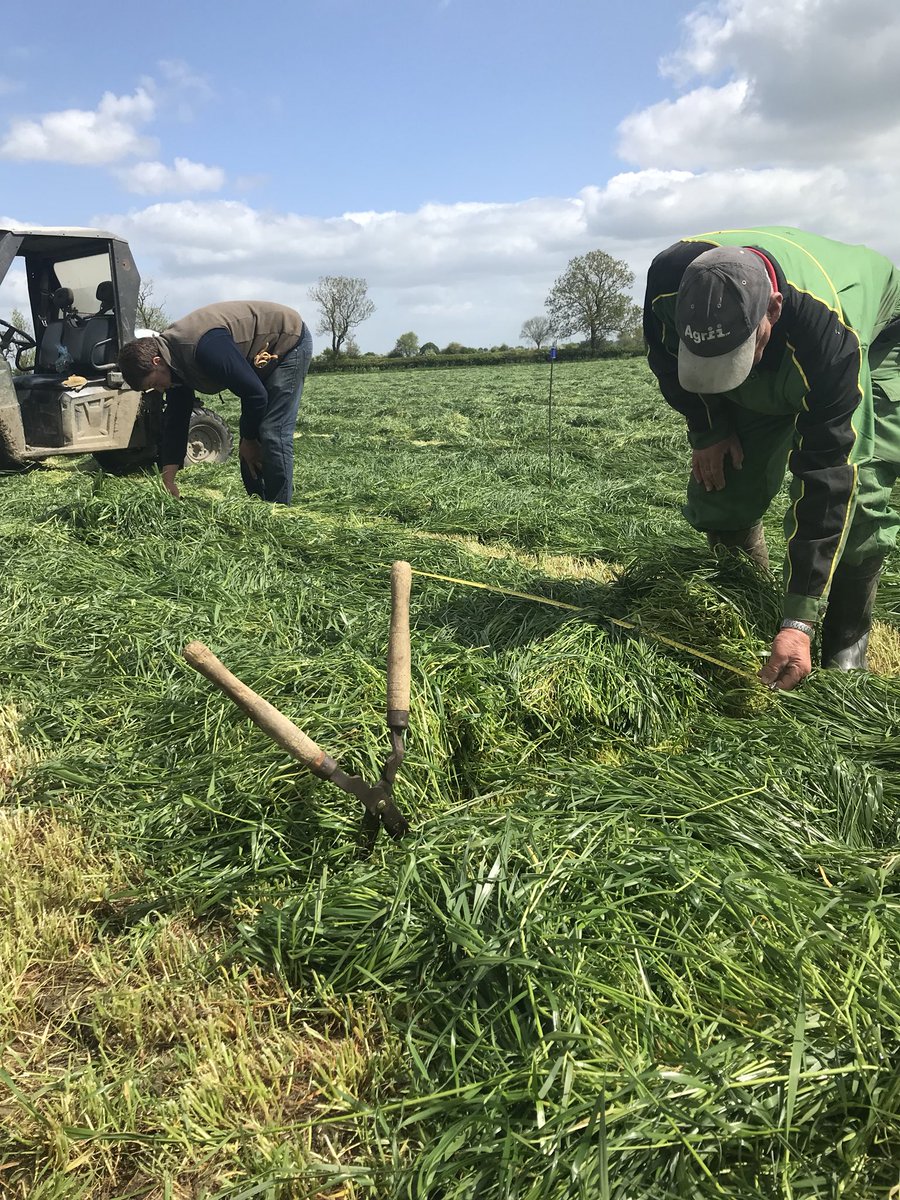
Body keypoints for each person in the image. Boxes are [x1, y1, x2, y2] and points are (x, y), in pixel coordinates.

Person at [643, 226, 900, 691]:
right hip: (776, 341)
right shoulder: (667, 277)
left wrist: (799, 621)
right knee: (722, 483)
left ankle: (842, 653)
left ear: (772, 310)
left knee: (860, 504)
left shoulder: (832, 340)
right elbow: (665, 361)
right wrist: (709, 430)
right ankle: (750, 612)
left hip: (877, 343)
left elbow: (829, 473)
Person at [118, 301, 313, 504]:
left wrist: (248, 440)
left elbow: (255, 394)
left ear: (156, 361)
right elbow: (177, 419)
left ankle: (279, 511)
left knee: (272, 432)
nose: (159, 389)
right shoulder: (173, 364)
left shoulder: (202, 347)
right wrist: (168, 478)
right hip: (255, 361)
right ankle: (259, 505)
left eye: (155, 383)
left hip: (287, 339)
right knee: (252, 436)